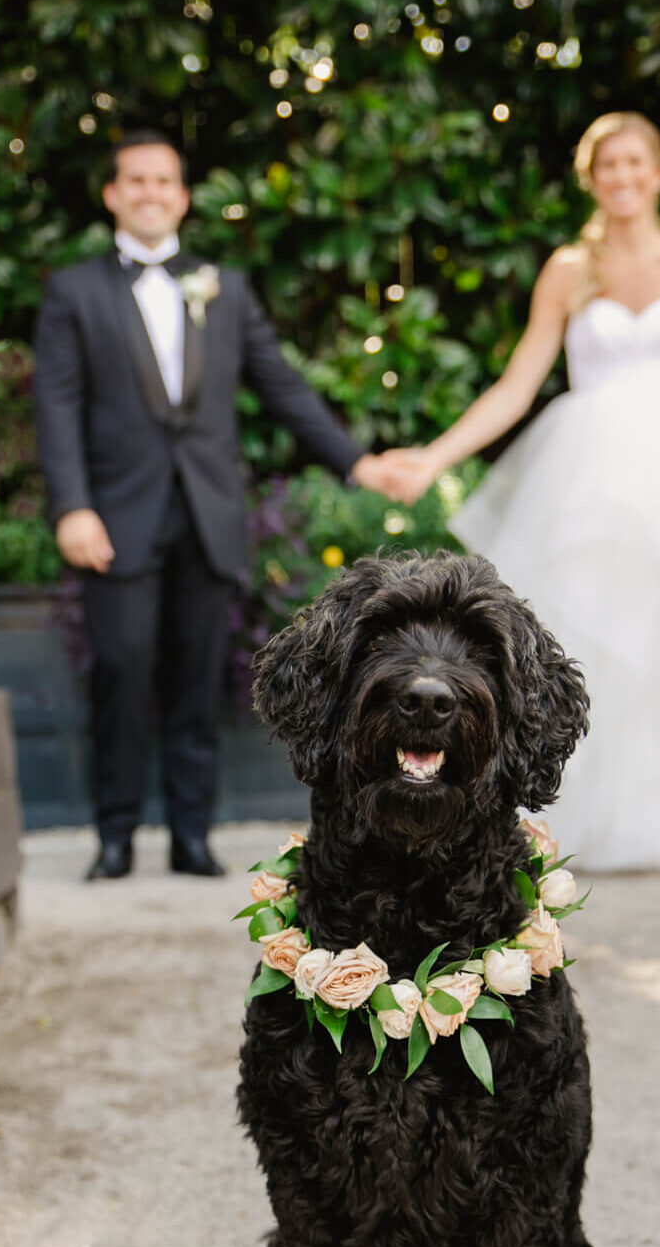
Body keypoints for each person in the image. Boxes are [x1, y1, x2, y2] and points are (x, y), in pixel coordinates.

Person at [381, 112, 660, 872]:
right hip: (585, 480)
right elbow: (518, 385)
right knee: (586, 640)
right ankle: (575, 823)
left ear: (658, 173)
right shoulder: (569, 269)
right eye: (609, 165)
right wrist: (435, 458)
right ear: (591, 179)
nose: (623, 177)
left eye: (636, 163)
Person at [34, 131, 397, 880]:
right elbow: (57, 405)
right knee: (121, 674)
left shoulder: (222, 287)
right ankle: (114, 836)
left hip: (208, 515)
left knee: (198, 681)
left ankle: (191, 838)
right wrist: (71, 506)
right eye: (136, 181)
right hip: (114, 518)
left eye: (164, 181)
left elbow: (281, 385)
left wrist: (357, 461)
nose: (151, 193)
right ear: (112, 194)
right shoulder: (74, 291)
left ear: (183, 197)